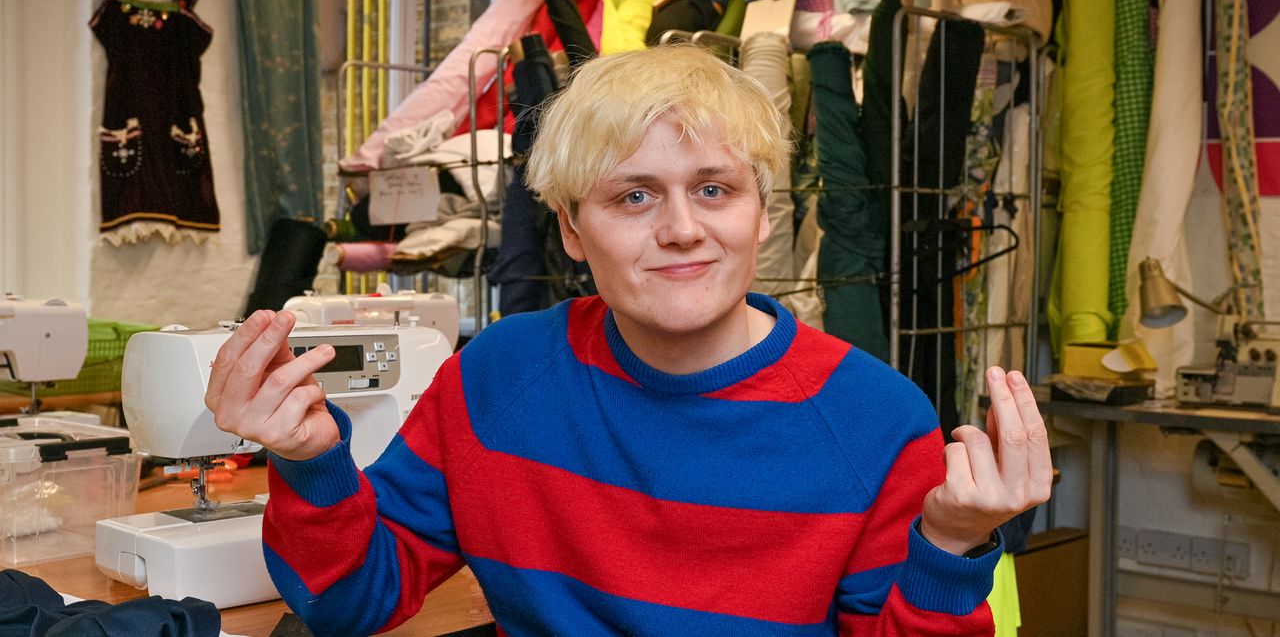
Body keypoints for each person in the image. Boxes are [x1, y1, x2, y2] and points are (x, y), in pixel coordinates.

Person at [206, 44, 1052, 636]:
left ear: (762, 214)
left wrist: (949, 543)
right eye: (634, 197)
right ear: (572, 230)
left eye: (714, 189)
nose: (682, 229)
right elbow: (349, 604)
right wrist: (312, 461)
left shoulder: (875, 421)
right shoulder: (496, 377)